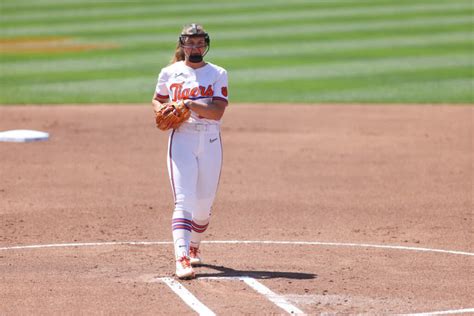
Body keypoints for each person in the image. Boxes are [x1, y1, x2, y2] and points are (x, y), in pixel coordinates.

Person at [152, 23, 229, 279]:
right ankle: (181, 257)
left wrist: (187, 103)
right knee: (183, 200)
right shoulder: (169, 72)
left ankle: (194, 244)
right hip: (182, 139)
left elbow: (217, 111)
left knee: (204, 207)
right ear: (182, 44)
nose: (195, 47)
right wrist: (160, 110)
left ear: (205, 44)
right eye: (190, 42)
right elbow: (158, 99)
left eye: (199, 43)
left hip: (209, 141)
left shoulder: (218, 73)